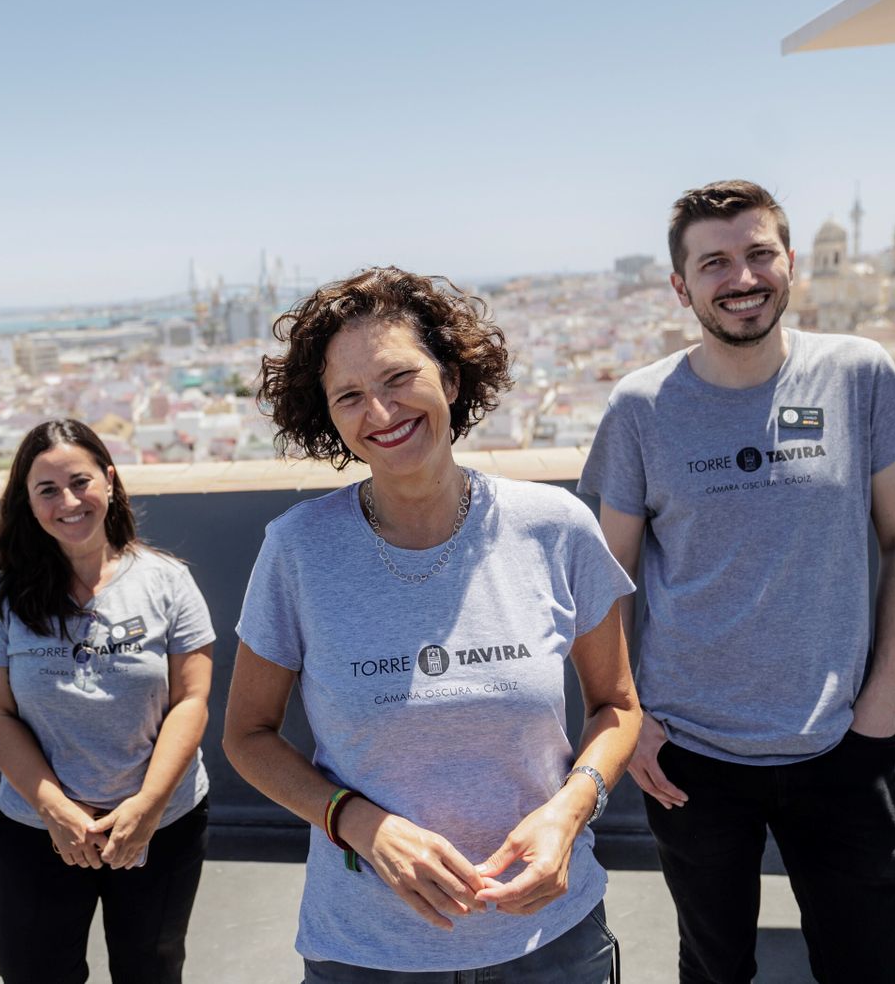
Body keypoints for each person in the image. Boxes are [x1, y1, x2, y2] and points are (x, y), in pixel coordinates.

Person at [223, 267, 640, 982]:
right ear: (330, 419)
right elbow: (246, 737)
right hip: (367, 953)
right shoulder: (298, 550)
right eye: (349, 396)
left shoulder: (554, 528)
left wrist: (568, 815)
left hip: (551, 943)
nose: (380, 411)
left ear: (449, 379)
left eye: (398, 377)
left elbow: (618, 707)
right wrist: (359, 822)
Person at [579, 180, 895, 984]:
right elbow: (606, 577)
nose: (742, 277)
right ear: (681, 286)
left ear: (790, 263)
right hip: (691, 757)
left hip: (842, 742)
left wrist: (879, 710)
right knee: (715, 968)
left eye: (758, 254)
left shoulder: (858, 375)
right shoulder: (640, 407)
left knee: (875, 965)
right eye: (714, 263)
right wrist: (634, 724)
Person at [0, 419, 216, 984]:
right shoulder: (4, 603)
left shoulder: (168, 582)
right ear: (28, 504)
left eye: (80, 482)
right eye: (47, 490)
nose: (69, 502)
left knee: (150, 970)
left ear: (110, 480)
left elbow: (192, 699)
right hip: (39, 828)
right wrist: (56, 811)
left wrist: (149, 807)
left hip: (161, 822)